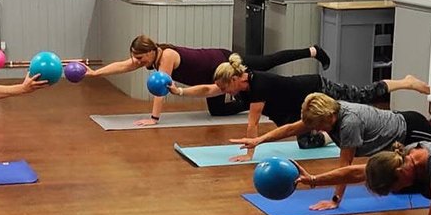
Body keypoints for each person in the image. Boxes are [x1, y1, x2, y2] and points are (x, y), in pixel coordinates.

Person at [241, 94, 431, 211]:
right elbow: (292, 128)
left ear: (329, 117)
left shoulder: (349, 124)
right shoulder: (327, 112)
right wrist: (259, 140)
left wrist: (335, 199)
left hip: (411, 131)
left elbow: (348, 165)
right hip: (396, 141)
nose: (315, 130)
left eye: (318, 126)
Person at [167, 54, 431, 160]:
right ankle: (331, 134)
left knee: (364, 95)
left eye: (226, 88)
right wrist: (179, 91)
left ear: (236, 80)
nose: (224, 93)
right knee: (306, 143)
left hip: (316, 90)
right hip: (296, 108)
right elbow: (207, 89)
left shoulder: (258, 86)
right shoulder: (238, 83)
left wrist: (250, 153)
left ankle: (405, 82)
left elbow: (252, 123)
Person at [86, 35, 324, 126]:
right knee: (217, 112)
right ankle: (248, 101)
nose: (137, 62)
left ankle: (312, 51)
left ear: (150, 51)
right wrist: (95, 74)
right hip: (211, 77)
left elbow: (162, 89)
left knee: (267, 61)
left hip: (221, 63)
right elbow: (123, 65)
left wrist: (154, 118)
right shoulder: (151, 57)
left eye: (140, 58)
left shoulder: (166, 56)